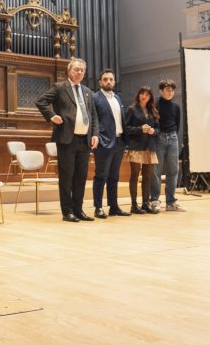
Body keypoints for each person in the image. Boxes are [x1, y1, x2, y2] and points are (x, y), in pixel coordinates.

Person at [35, 58, 99, 222]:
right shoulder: (60, 87)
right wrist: (52, 116)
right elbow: (40, 101)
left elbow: (93, 115)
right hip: (66, 139)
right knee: (66, 177)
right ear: (69, 71)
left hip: (85, 140)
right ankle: (67, 211)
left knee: (80, 177)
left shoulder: (87, 91)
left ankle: (78, 210)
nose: (79, 72)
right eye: (76, 69)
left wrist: (95, 134)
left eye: (82, 70)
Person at [92, 69, 130, 218]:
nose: (108, 81)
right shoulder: (95, 98)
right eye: (105, 79)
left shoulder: (118, 98)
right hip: (104, 142)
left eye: (111, 79)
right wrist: (98, 137)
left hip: (119, 141)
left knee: (114, 176)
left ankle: (114, 206)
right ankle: (98, 207)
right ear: (100, 82)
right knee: (101, 176)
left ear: (114, 82)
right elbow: (94, 120)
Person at [149, 79, 184, 212]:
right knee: (156, 170)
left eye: (172, 90)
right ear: (161, 91)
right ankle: (154, 200)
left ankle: (171, 201)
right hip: (159, 138)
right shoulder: (155, 105)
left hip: (173, 137)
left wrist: (172, 135)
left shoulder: (176, 107)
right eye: (167, 90)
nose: (170, 92)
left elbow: (177, 124)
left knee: (173, 170)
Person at [124, 86, 159, 214]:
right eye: (142, 93)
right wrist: (140, 129)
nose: (144, 96)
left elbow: (158, 129)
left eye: (147, 94)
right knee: (135, 175)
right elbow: (126, 128)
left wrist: (153, 131)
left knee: (147, 176)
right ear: (138, 95)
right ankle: (134, 205)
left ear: (150, 97)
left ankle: (145, 203)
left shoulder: (153, 110)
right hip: (136, 146)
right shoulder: (132, 109)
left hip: (150, 146)